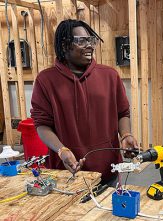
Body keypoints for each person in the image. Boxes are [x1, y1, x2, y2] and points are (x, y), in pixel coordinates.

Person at [31, 19, 138, 185]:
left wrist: (126, 135)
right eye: (82, 41)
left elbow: (122, 113)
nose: (90, 46)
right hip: (66, 173)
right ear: (65, 45)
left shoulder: (110, 76)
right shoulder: (46, 80)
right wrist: (61, 150)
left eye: (91, 40)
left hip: (107, 171)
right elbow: (42, 125)